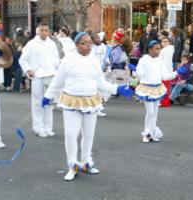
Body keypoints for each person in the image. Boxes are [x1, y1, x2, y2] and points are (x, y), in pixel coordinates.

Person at [42, 32, 133, 181]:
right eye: (84, 43)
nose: (88, 46)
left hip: (91, 101)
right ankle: (72, 165)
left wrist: (117, 89)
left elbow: (100, 83)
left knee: (88, 135)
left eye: (90, 43)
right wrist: (48, 96)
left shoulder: (95, 61)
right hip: (71, 100)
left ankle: (86, 163)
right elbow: (58, 80)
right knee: (71, 135)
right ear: (77, 45)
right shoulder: (68, 60)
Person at [129, 40, 187, 143]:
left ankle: (152, 132)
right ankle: (146, 133)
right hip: (147, 88)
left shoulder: (160, 61)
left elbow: (165, 76)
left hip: (157, 88)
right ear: (150, 49)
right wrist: (136, 71)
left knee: (155, 112)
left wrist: (176, 73)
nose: (159, 51)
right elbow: (140, 74)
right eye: (156, 49)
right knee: (150, 112)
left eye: (159, 48)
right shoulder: (144, 60)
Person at [19, 23, 60, 137]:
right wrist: (29, 70)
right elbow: (23, 60)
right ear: (38, 31)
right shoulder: (31, 44)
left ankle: (48, 127)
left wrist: (58, 68)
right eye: (42, 30)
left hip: (50, 75)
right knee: (37, 103)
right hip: (37, 76)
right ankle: (38, 127)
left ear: (48, 31)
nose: (44, 33)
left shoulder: (52, 44)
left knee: (49, 103)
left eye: (46, 30)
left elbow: (56, 59)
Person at [159, 36, 174, 107]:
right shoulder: (166, 49)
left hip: (165, 71)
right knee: (165, 87)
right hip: (165, 70)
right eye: (163, 41)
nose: (165, 43)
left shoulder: (167, 50)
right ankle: (164, 101)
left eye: (166, 41)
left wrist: (163, 70)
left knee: (164, 87)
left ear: (169, 42)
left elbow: (166, 62)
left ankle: (164, 102)